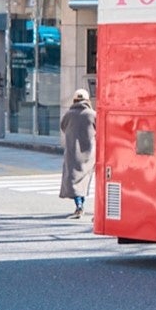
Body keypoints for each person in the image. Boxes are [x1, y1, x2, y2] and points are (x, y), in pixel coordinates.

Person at [60, 89, 97, 219]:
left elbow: (63, 127)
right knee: (85, 180)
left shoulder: (69, 114)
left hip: (72, 152)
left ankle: (79, 205)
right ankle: (84, 205)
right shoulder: (92, 114)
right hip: (90, 154)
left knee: (73, 180)